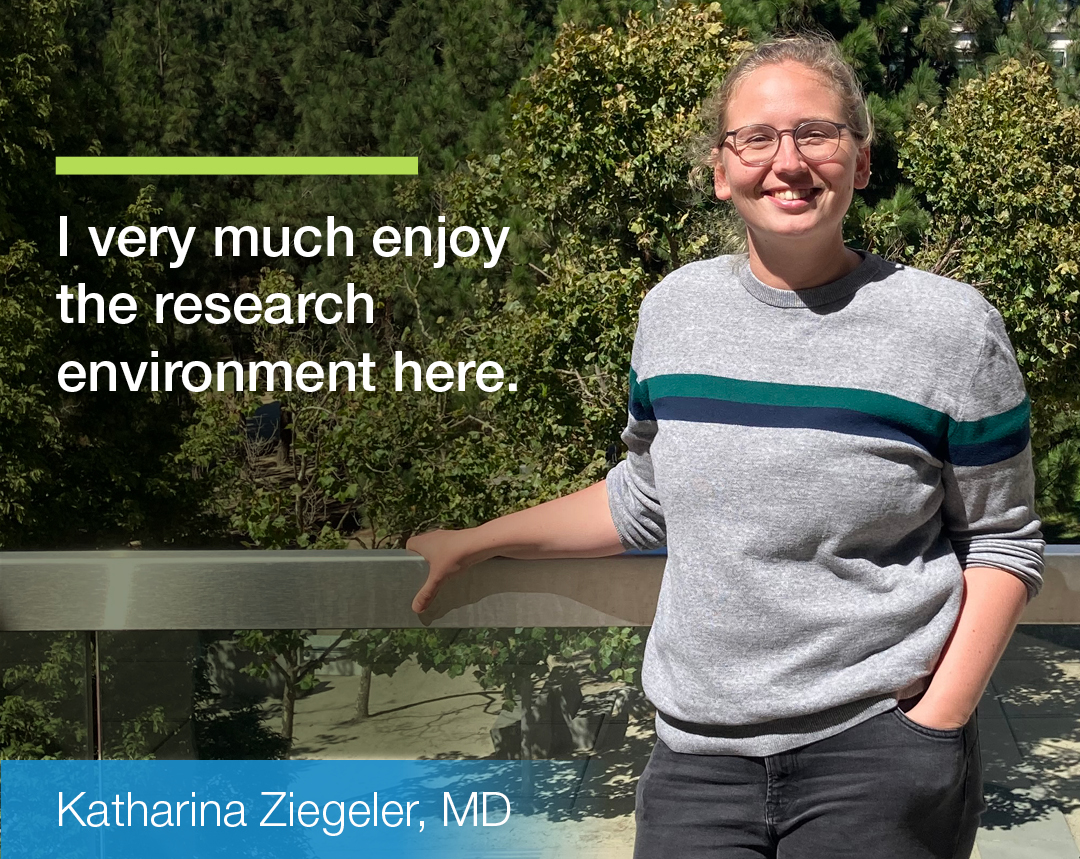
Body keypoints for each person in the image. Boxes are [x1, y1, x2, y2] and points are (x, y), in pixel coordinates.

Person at [406, 35, 1044, 859]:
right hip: (695, 762)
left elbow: (1001, 542)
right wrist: (479, 540)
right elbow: (644, 499)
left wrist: (934, 725)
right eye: (756, 138)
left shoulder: (949, 328)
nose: (788, 161)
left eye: (816, 132)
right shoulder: (673, 312)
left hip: (876, 752)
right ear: (720, 169)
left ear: (860, 159)